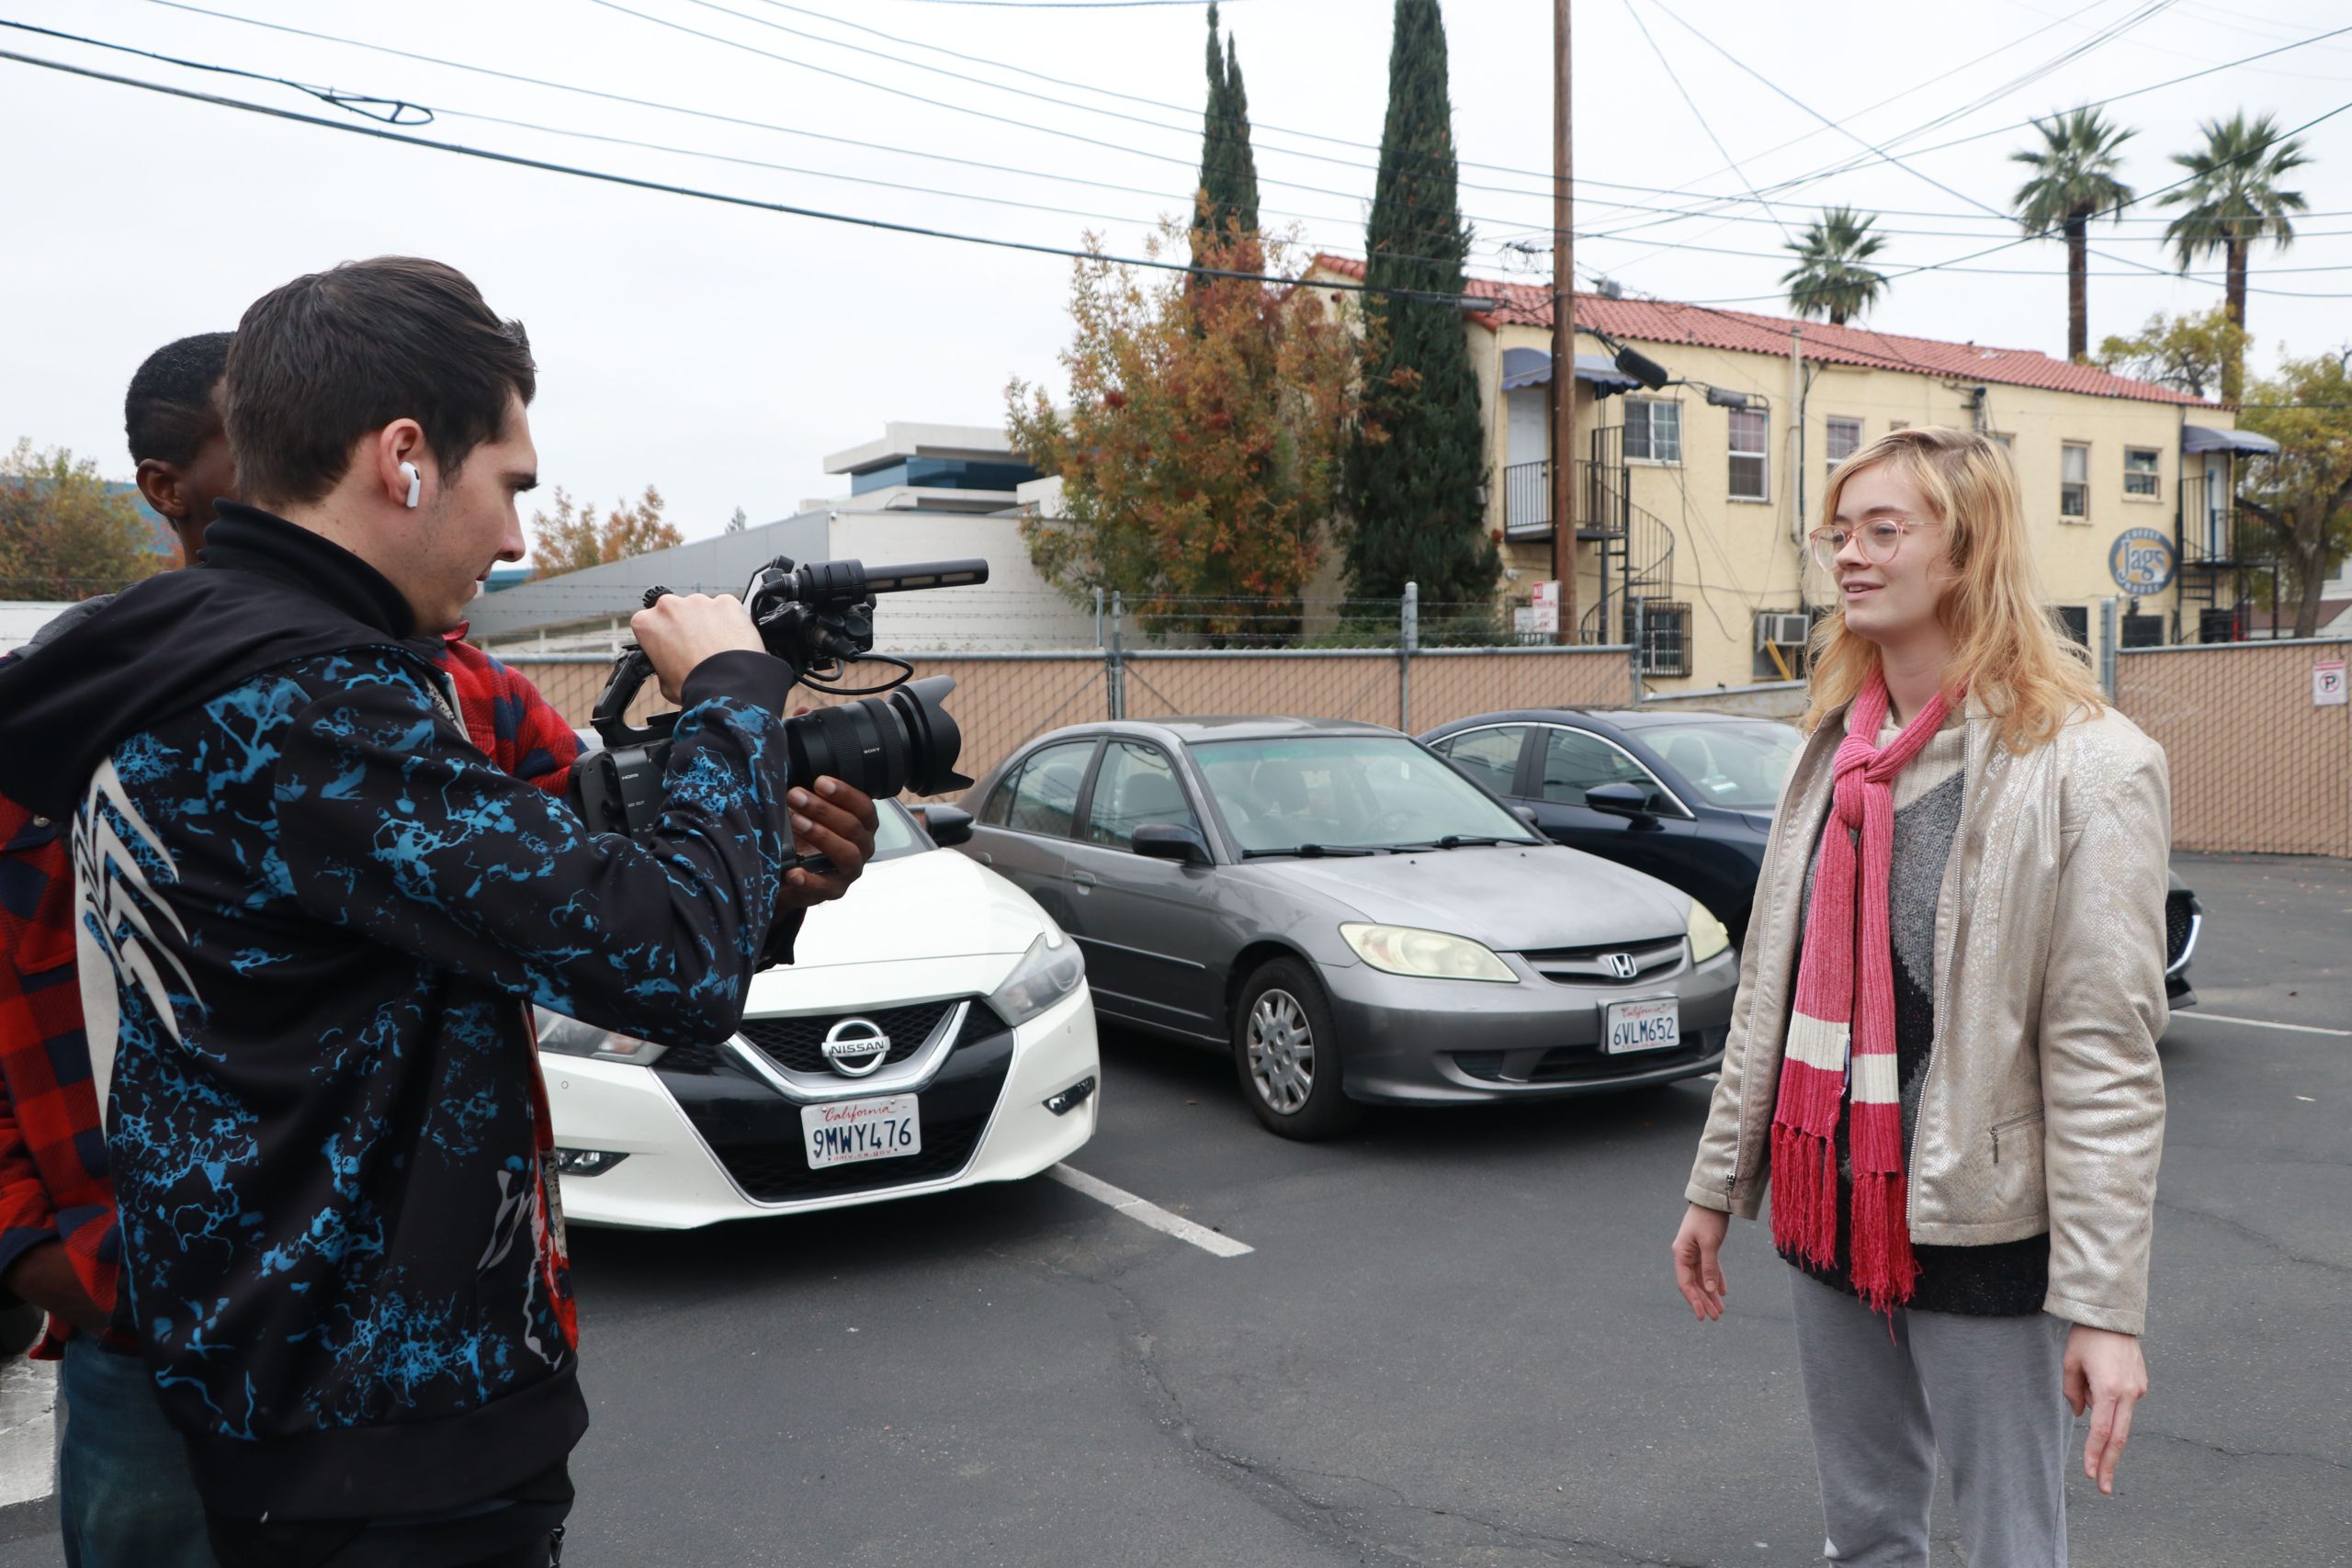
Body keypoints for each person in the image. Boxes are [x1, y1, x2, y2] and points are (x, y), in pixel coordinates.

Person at [0, 257, 876, 1568]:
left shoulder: (223, 666)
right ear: (405, 458)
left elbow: (576, 908)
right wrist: (736, 690)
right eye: (510, 482)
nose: (517, 537)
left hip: (305, 1406)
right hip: (378, 1441)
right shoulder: (304, 704)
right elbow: (673, 973)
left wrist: (762, 866)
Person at [0, 332, 592, 1566]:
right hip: (135, 1338)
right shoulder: (58, 714)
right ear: (168, 488)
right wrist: (46, 1247)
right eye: (254, 451)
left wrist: (763, 835)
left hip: (380, 1361)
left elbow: (608, 880)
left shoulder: (451, 691)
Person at [1668, 426, 2167, 1567]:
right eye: (1837, 532)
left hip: (1978, 1228)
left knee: (2005, 1543)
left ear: (1967, 554)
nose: (1848, 555)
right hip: (1824, 1201)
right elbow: (1770, 996)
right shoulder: (1834, 754)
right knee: (1868, 1533)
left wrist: (2105, 1306)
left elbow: (2101, 1056)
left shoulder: (2089, 764)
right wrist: (1714, 1188)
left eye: (1883, 531)